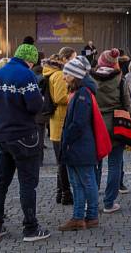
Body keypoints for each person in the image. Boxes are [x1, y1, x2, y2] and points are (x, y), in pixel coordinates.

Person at [0, 44, 50, 243]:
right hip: (23, 136)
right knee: (27, 184)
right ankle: (30, 228)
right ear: (30, 61)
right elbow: (34, 105)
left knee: (0, 183)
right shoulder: (26, 75)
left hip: (1, 136)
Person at [58, 57, 101, 231]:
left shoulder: (83, 94)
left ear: (75, 75)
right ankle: (79, 217)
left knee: (87, 182)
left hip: (80, 146)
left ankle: (90, 216)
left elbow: (79, 123)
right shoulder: (80, 92)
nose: (63, 77)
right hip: (78, 146)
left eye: (66, 73)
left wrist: (67, 139)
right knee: (77, 183)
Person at [91, 48, 131, 214]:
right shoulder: (121, 80)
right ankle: (109, 202)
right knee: (115, 164)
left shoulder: (91, 79)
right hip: (116, 124)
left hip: (96, 123)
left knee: (95, 165)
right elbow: (127, 104)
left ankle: (91, 201)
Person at [46, 47, 78, 205]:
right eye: (73, 58)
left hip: (58, 122)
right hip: (60, 121)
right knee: (63, 162)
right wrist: (74, 96)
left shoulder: (56, 73)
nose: (75, 61)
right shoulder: (59, 75)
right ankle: (65, 193)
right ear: (65, 59)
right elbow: (60, 97)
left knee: (61, 161)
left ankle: (61, 192)